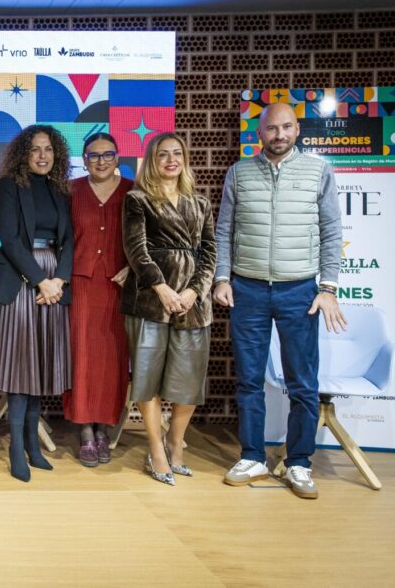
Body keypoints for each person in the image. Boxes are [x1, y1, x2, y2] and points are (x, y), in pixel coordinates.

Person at [215, 102, 346, 500]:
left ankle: (299, 463)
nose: (280, 135)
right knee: (249, 380)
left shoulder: (319, 171)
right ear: (260, 132)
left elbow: (331, 231)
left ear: (297, 129)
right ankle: (252, 456)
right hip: (248, 289)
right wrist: (222, 277)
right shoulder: (238, 173)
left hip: (300, 290)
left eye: (287, 127)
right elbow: (224, 231)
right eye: (272, 129)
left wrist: (329, 287)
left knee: (303, 383)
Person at [121, 133, 216, 486]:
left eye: (177, 154)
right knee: (147, 379)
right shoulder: (137, 199)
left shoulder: (201, 203)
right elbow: (136, 250)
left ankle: (176, 443)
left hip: (193, 305)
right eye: (163, 154)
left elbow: (209, 252)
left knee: (187, 381)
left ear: (185, 159)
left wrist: (194, 291)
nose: (171, 160)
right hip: (148, 301)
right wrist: (161, 289)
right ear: (153, 159)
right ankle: (156, 449)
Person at [0, 125, 73, 482]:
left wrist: (59, 281)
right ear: (23, 153)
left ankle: (34, 447)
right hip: (24, 279)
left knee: (42, 367)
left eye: (48, 149)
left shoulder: (61, 190)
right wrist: (40, 280)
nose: (42, 155)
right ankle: (14, 449)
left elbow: (71, 240)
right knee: (21, 370)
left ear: (57, 155)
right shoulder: (8, 186)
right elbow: (8, 239)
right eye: (35, 149)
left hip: (54, 279)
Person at [62, 133, 133, 467]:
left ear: (118, 158)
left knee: (113, 360)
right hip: (80, 286)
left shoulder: (133, 191)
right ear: (84, 159)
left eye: (108, 154)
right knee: (82, 358)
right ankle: (86, 430)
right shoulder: (70, 191)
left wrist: (133, 267)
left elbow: (148, 237)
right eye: (93, 155)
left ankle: (105, 426)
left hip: (119, 288)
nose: (101, 161)